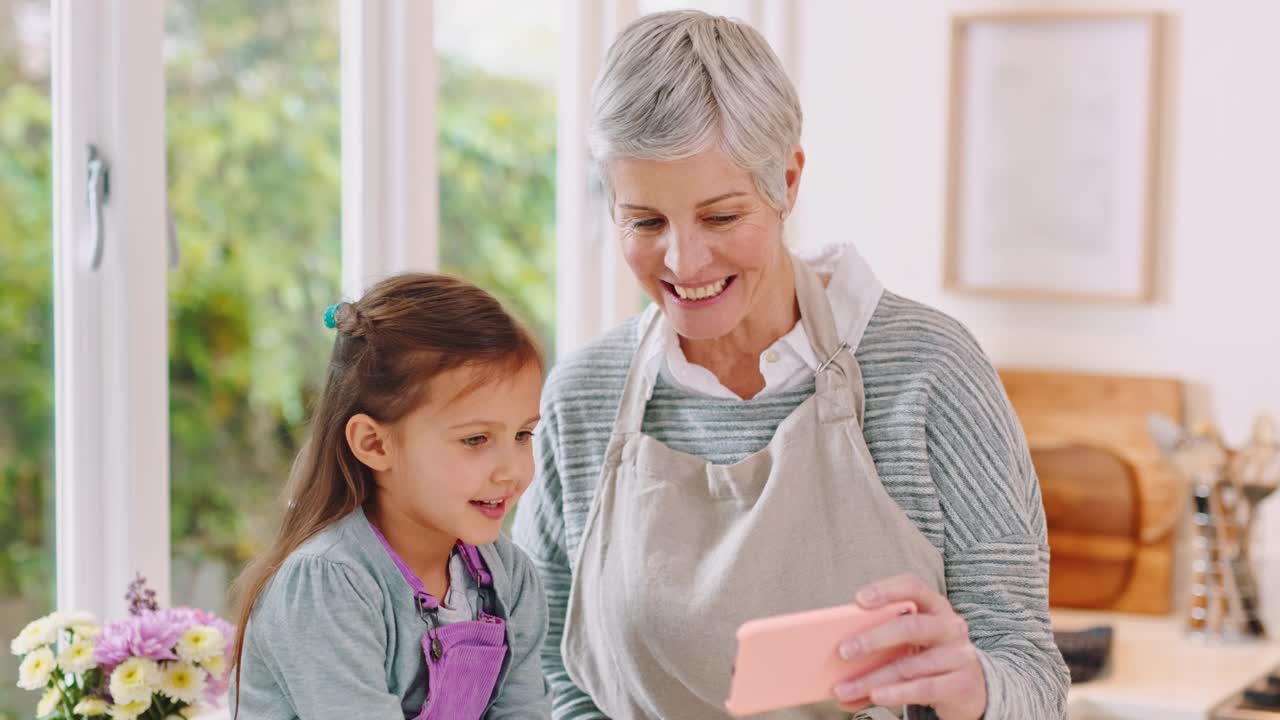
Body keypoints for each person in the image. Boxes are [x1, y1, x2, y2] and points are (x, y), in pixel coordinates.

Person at [512, 10, 1068, 720]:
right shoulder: (583, 400)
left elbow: (1030, 671)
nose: (683, 262)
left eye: (720, 217)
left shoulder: (928, 371)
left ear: (788, 180)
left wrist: (979, 689)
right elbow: (550, 680)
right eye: (645, 221)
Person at [231, 273, 551, 719]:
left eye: (522, 434)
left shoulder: (509, 577)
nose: (514, 469)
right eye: (475, 439)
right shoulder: (329, 584)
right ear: (374, 444)